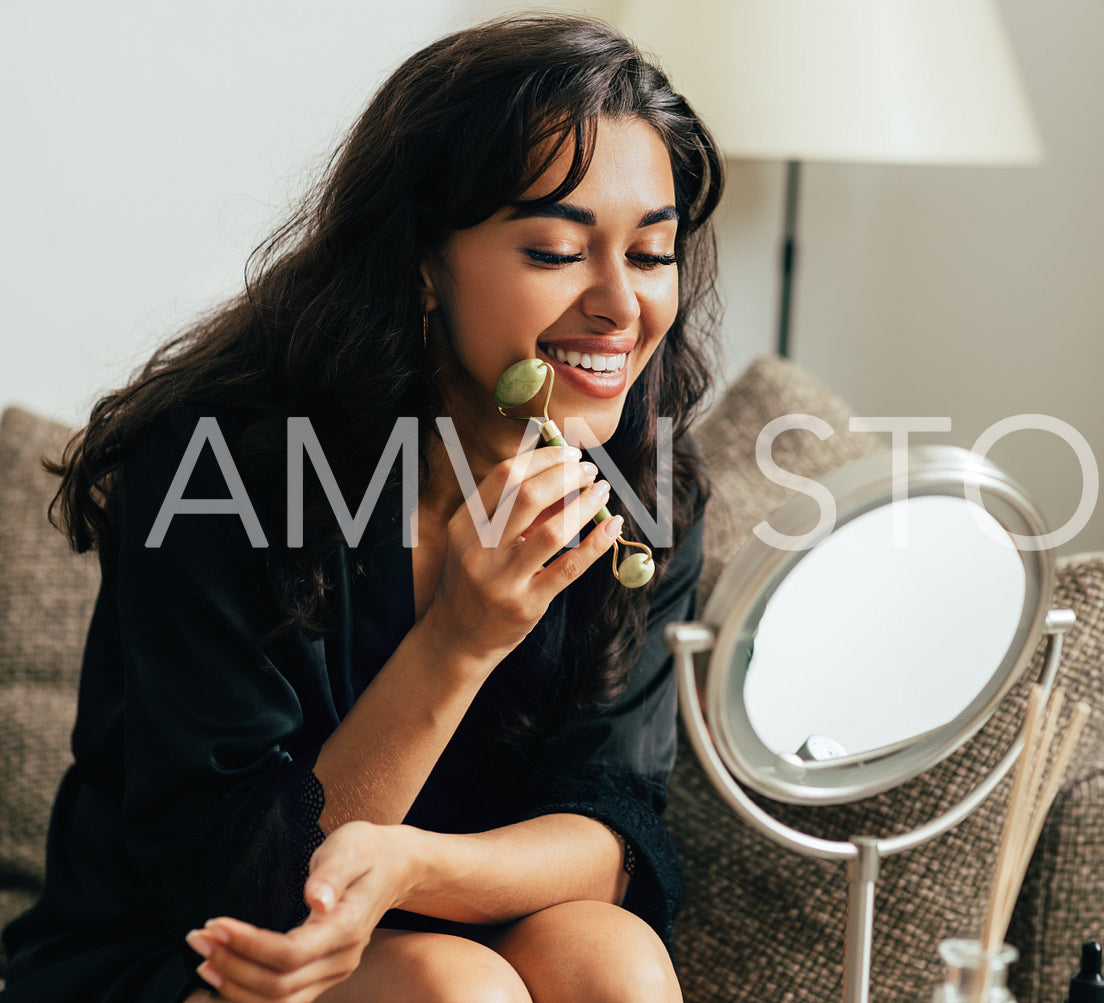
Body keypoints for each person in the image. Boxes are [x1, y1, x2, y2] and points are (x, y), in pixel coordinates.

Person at [0, 13, 722, 1003]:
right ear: (425, 265)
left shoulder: (639, 486)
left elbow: (613, 828)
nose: (618, 304)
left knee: (613, 960)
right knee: (455, 990)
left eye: (649, 254)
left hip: (446, 911)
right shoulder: (223, 464)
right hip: (194, 952)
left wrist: (413, 866)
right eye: (557, 250)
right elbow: (246, 893)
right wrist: (459, 640)